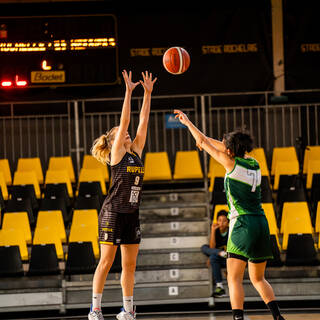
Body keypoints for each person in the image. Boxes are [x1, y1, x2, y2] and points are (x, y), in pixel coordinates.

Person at [174, 109, 285, 320]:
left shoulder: (230, 163)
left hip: (242, 224)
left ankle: (238, 318)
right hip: (261, 223)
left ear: (230, 151)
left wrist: (188, 123)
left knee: (234, 278)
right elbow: (211, 142)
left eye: (225, 145)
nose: (222, 147)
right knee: (258, 278)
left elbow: (203, 141)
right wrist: (208, 141)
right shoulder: (254, 163)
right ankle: (278, 317)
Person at [88, 70, 157, 320]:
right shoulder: (117, 154)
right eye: (121, 131)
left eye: (125, 131)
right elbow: (127, 120)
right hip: (113, 212)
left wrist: (148, 94)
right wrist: (128, 92)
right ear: (114, 139)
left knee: (130, 266)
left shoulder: (136, 150)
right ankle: (95, 309)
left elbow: (143, 122)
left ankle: (127, 310)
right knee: (106, 261)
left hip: (131, 213)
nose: (126, 132)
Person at [201, 210, 229, 298]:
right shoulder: (216, 231)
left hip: (229, 259)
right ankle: (219, 286)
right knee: (204, 248)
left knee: (212, 256)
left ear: (228, 222)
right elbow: (211, 247)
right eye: (219, 220)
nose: (221, 223)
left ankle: (221, 253)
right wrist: (213, 231)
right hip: (220, 257)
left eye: (224, 220)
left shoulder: (231, 231)